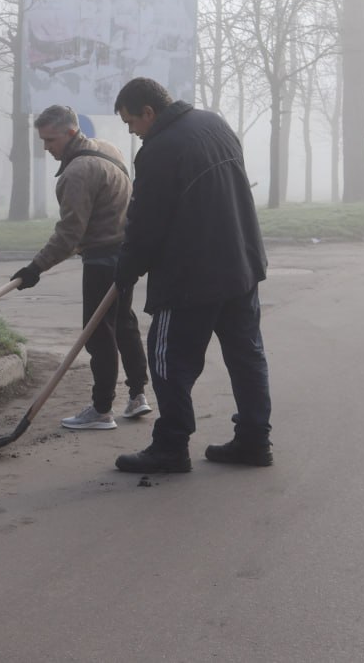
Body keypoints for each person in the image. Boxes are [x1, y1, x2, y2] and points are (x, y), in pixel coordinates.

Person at [110, 77, 273, 474]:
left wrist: (126, 271)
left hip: (191, 277)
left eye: (131, 121)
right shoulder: (213, 122)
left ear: (149, 112)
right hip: (241, 265)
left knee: (167, 361)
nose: (132, 131)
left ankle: (170, 446)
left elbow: (146, 225)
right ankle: (254, 441)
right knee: (246, 355)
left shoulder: (159, 151)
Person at [10, 104, 151, 429]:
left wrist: (35, 268)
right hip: (125, 256)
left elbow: (70, 233)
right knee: (124, 324)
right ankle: (137, 396)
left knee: (99, 333)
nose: (47, 148)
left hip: (102, 261)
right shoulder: (108, 150)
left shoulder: (77, 173)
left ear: (71, 133)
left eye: (50, 140)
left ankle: (101, 410)